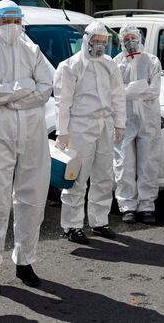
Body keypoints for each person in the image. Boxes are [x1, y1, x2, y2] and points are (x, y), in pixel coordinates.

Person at [0, 0, 54, 295]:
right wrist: (25, 86)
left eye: (15, 20)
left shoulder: (32, 51)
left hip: (31, 131)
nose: (11, 26)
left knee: (32, 198)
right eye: (5, 21)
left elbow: (47, 85)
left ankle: (25, 261)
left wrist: (14, 97)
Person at [54, 21, 126, 244]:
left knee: (104, 176)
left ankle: (99, 221)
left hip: (104, 125)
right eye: (96, 41)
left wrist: (120, 123)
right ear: (86, 40)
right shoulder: (70, 66)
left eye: (103, 42)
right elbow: (62, 102)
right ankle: (72, 225)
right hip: (80, 127)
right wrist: (62, 131)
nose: (100, 45)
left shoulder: (109, 65)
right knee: (77, 178)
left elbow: (118, 95)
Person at [113, 24, 162, 224]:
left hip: (148, 120)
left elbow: (154, 91)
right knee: (124, 164)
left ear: (139, 38)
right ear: (121, 41)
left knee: (148, 163)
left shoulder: (151, 61)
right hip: (124, 120)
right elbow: (113, 92)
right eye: (126, 39)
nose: (130, 42)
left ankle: (147, 205)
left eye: (133, 37)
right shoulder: (116, 64)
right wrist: (140, 86)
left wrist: (128, 90)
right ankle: (127, 206)